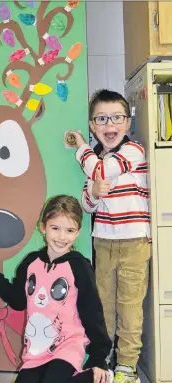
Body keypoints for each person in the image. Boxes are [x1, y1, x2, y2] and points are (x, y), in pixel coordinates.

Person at [0, 195, 113, 383]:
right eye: (55, 228)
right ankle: (88, 379)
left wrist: (99, 358)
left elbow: (92, 312)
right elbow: (18, 301)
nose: (62, 237)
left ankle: (99, 377)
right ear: (43, 227)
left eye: (69, 230)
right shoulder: (31, 262)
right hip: (35, 350)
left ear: (77, 232)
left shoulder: (79, 266)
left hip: (67, 346)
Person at [69, 89, 151, 383]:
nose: (109, 125)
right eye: (101, 119)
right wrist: (92, 191)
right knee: (103, 304)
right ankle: (103, 359)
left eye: (117, 118)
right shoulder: (95, 160)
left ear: (128, 123)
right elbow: (87, 205)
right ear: (92, 125)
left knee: (129, 306)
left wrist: (81, 148)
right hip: (103, 240)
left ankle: (127, 367)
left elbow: (102, 169)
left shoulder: (133, 151)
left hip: (134, 241)